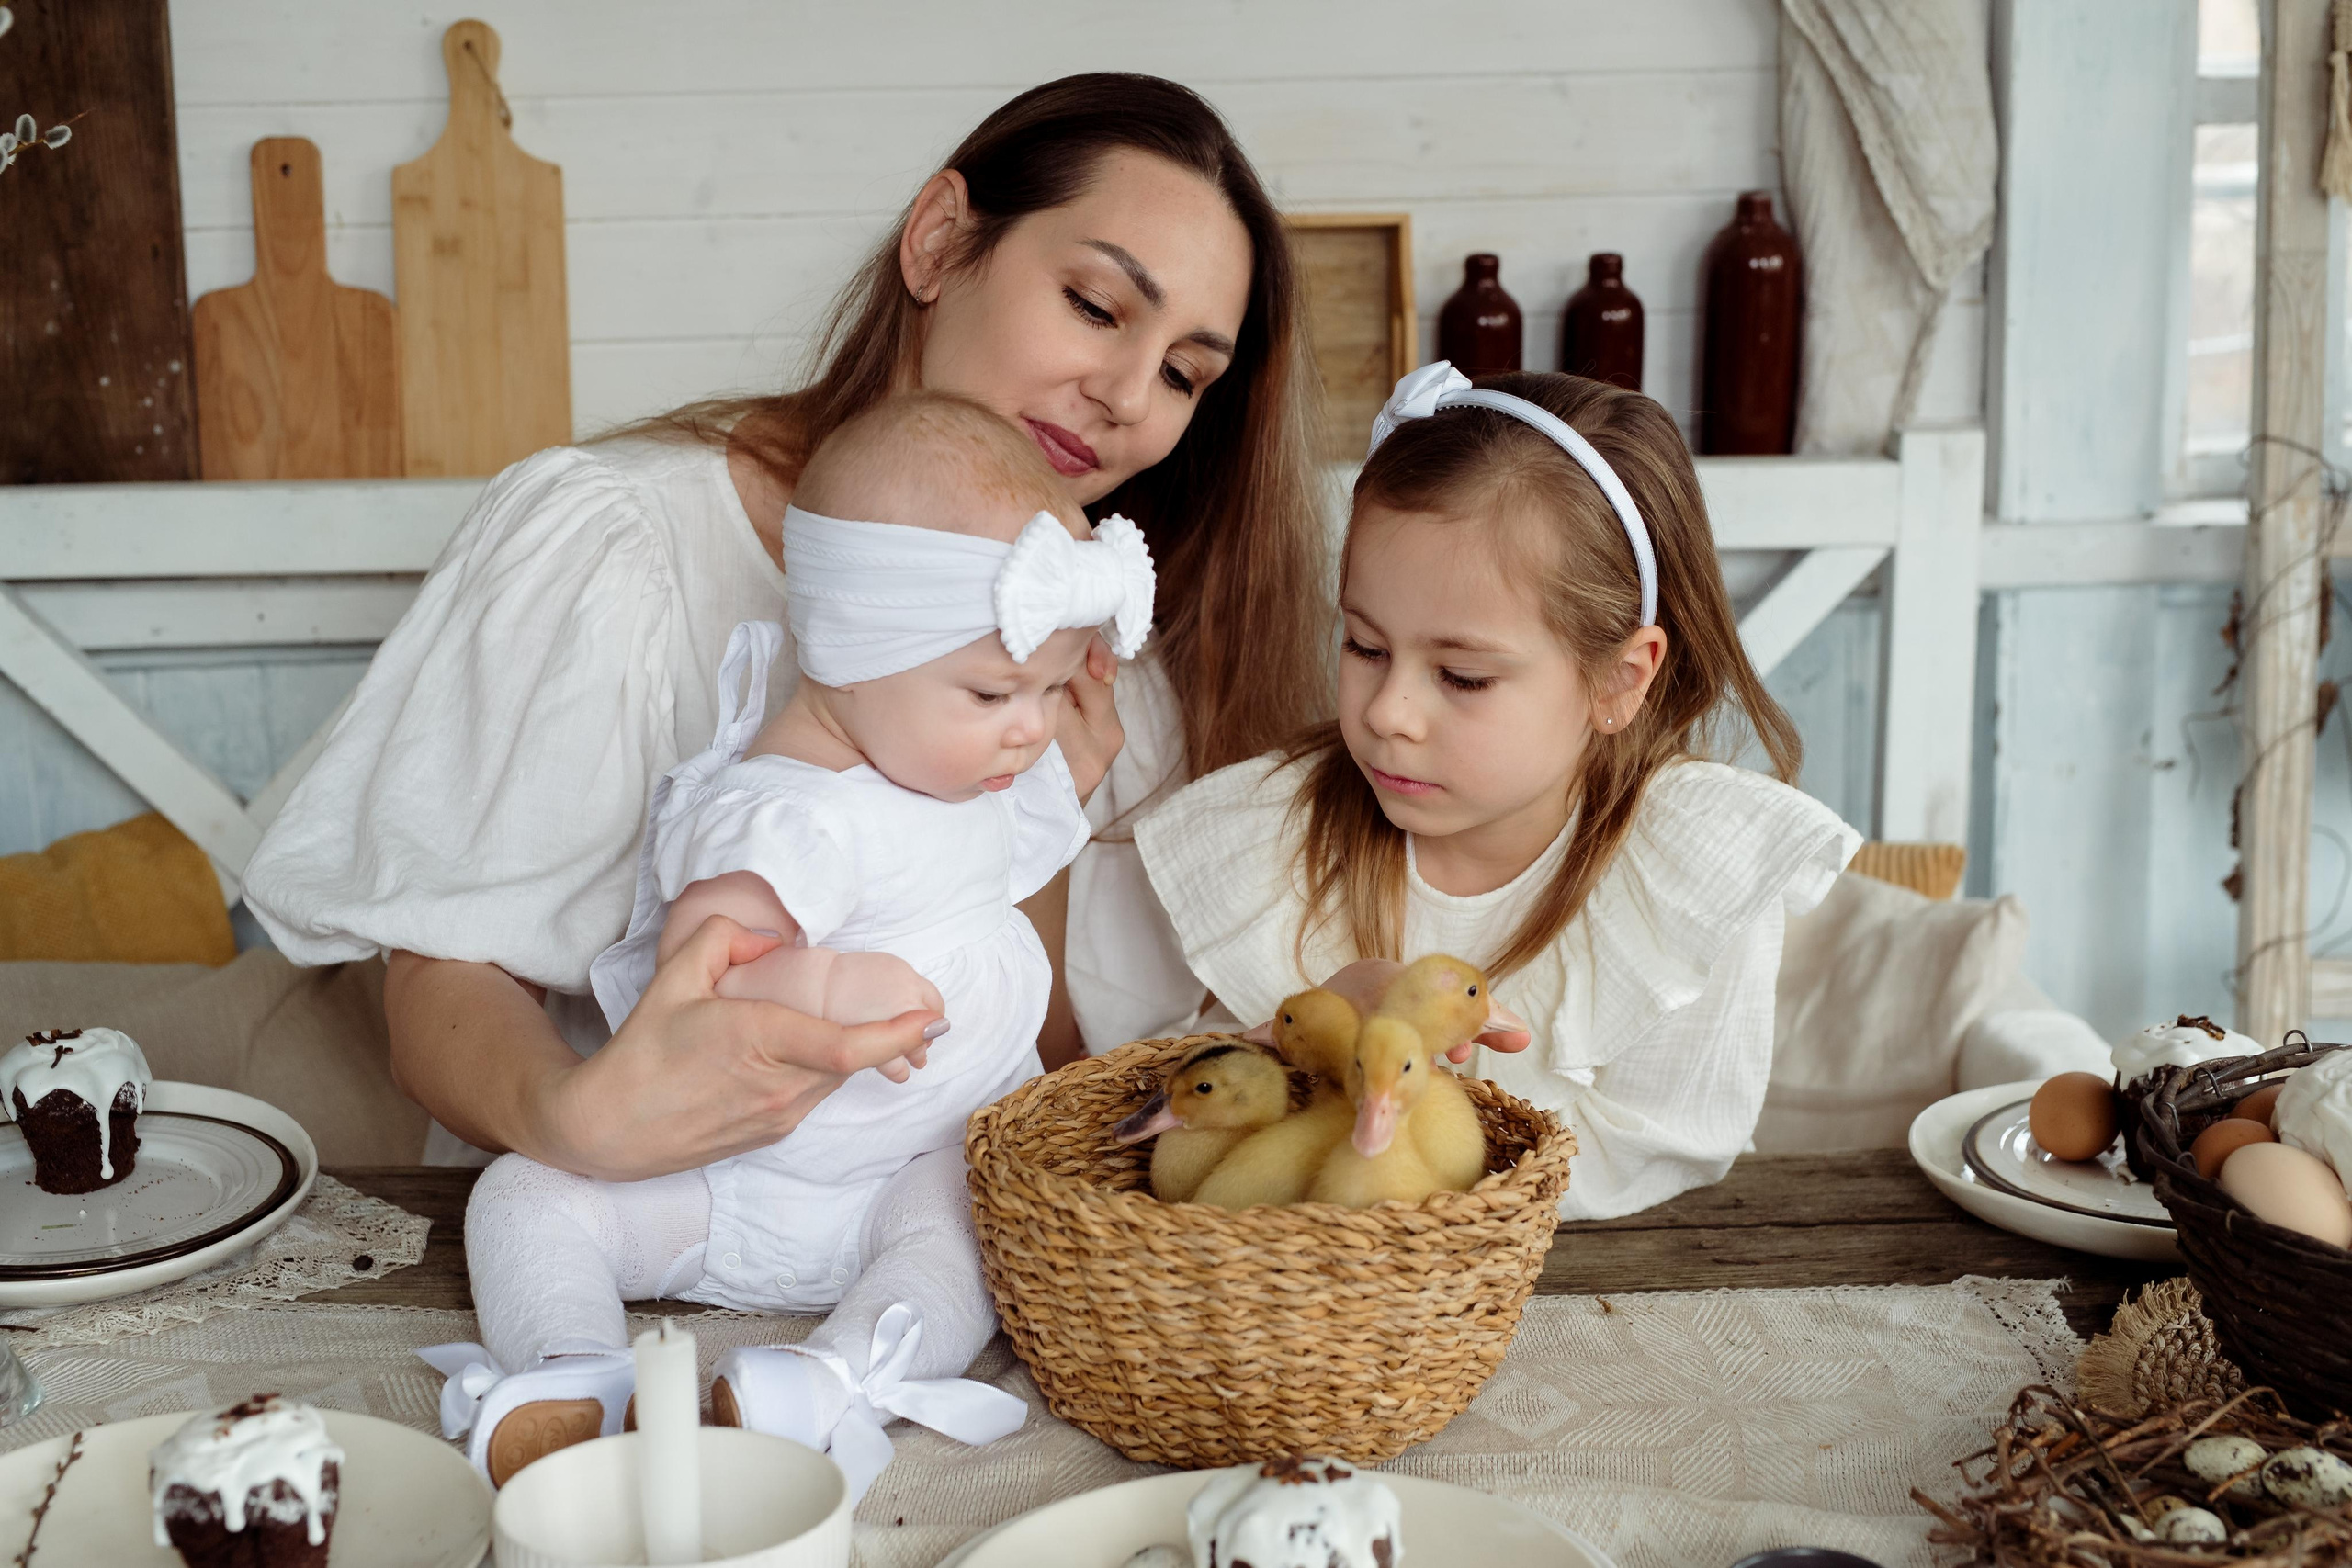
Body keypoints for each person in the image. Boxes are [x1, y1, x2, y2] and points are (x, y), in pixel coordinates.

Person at [239, 73, 1328, 1181]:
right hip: (621, 1225)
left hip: (908, 1229)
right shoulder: (618, 540)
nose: (1130, 397)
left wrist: (1023, 804)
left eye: (1185, 374)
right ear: (939, 242)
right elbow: (443, 978)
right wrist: (576, 1118)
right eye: (1095, 306)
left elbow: (1011, 1063)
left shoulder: (1094, 641)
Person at [433, 393, 1146, 1491]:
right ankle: (573, 1373)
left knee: (978, 1231)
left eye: (1050, 689)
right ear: (853, 652)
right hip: (723, 1184)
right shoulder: (787, 813)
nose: (1032, 726)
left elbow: (993, 856)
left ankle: (829, 1381)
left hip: (907, 1174)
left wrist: (1059, 772)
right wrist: (825, 984)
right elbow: (704, 970)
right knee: (523, 1197)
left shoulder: (955, 770)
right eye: (995, 690)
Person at [1133, 364, 1862, 1220]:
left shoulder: (1695, 869)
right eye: (1364, 646)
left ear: (1619, 680)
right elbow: (1194, 1121)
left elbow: (1654, 1159)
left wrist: (1401, 1088)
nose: (1388, 711)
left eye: (1463, 676)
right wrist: (1319, 1031)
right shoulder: (1274, 835)